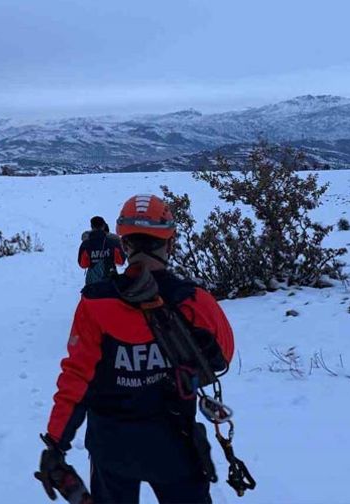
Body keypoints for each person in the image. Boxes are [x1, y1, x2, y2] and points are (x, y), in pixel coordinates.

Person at [37, 194, 235, 504]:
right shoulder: (194, 301)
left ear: (125, 245)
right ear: (170, 243)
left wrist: (55, 444)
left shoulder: (94, 304)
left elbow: (76, 379)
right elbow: (222, 357)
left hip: (111, 448)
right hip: (176, 446)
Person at [79, 216, 125, 286]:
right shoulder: (114, 242)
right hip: (111, 282)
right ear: (104, 226)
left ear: (91, 227)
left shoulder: (86, 244)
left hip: (92, 284)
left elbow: (83, 264)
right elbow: (121, 261)